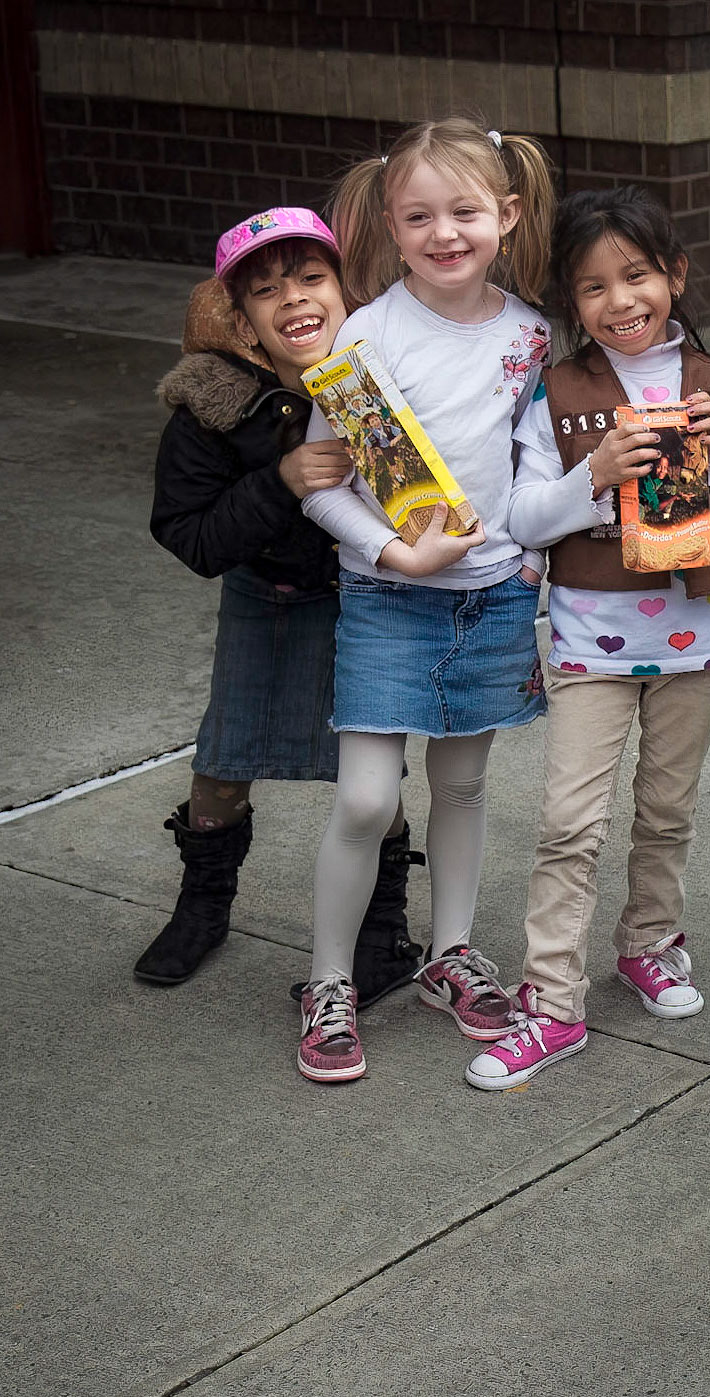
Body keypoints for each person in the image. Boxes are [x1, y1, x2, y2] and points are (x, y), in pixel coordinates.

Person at [462, 187, 710, 1090]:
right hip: (590, 641)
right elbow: (523, 519)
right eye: (593, 286)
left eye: (637, 275)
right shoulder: (559, 392)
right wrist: (592, 475)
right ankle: (551, 1001)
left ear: (675, 275)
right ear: (571, 302)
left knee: (667, 812)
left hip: (698, 634)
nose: (620, 300)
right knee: (569, 824)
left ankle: (647, 941)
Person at [293, 117, 557, 1083]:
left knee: (464, 787)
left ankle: (451, 955)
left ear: (507, 213)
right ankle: (329, 980)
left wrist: (531, 553)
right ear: (391, 227)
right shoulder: (366, 335)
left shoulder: (532, 335)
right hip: (385, 600)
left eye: (464, 212)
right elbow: (322, 484)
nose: (444, 234)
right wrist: (388, 553)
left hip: (489, 601)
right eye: (419, 217)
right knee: (365, 798)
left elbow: (541, 462)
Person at [141, 209, 426, 991]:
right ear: (242, 321)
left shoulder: (392, 370)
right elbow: (190, 535)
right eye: (267, 291)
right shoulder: (215, 406)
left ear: (346, 288)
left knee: (370, 776)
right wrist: (281, 481)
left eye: (310, 278)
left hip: (369, 598)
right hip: (266, 595)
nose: (293, 299)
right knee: (224, 762)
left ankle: (383, 929)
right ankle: (203, 906)